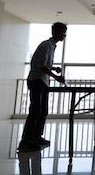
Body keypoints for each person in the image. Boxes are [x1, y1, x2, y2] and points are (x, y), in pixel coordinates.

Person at [18, 22, 66, 151]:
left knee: (42, 111)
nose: (64, 35)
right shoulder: (46, 45)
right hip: (37, 81)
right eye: (63, 32)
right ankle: (26, 141)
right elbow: (41, 66)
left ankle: (36, 137)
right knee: (35, 111)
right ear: (56, 32)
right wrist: (56, 77)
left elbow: (44, 64)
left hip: (42, 81)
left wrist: (53, 68)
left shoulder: (51, 46)